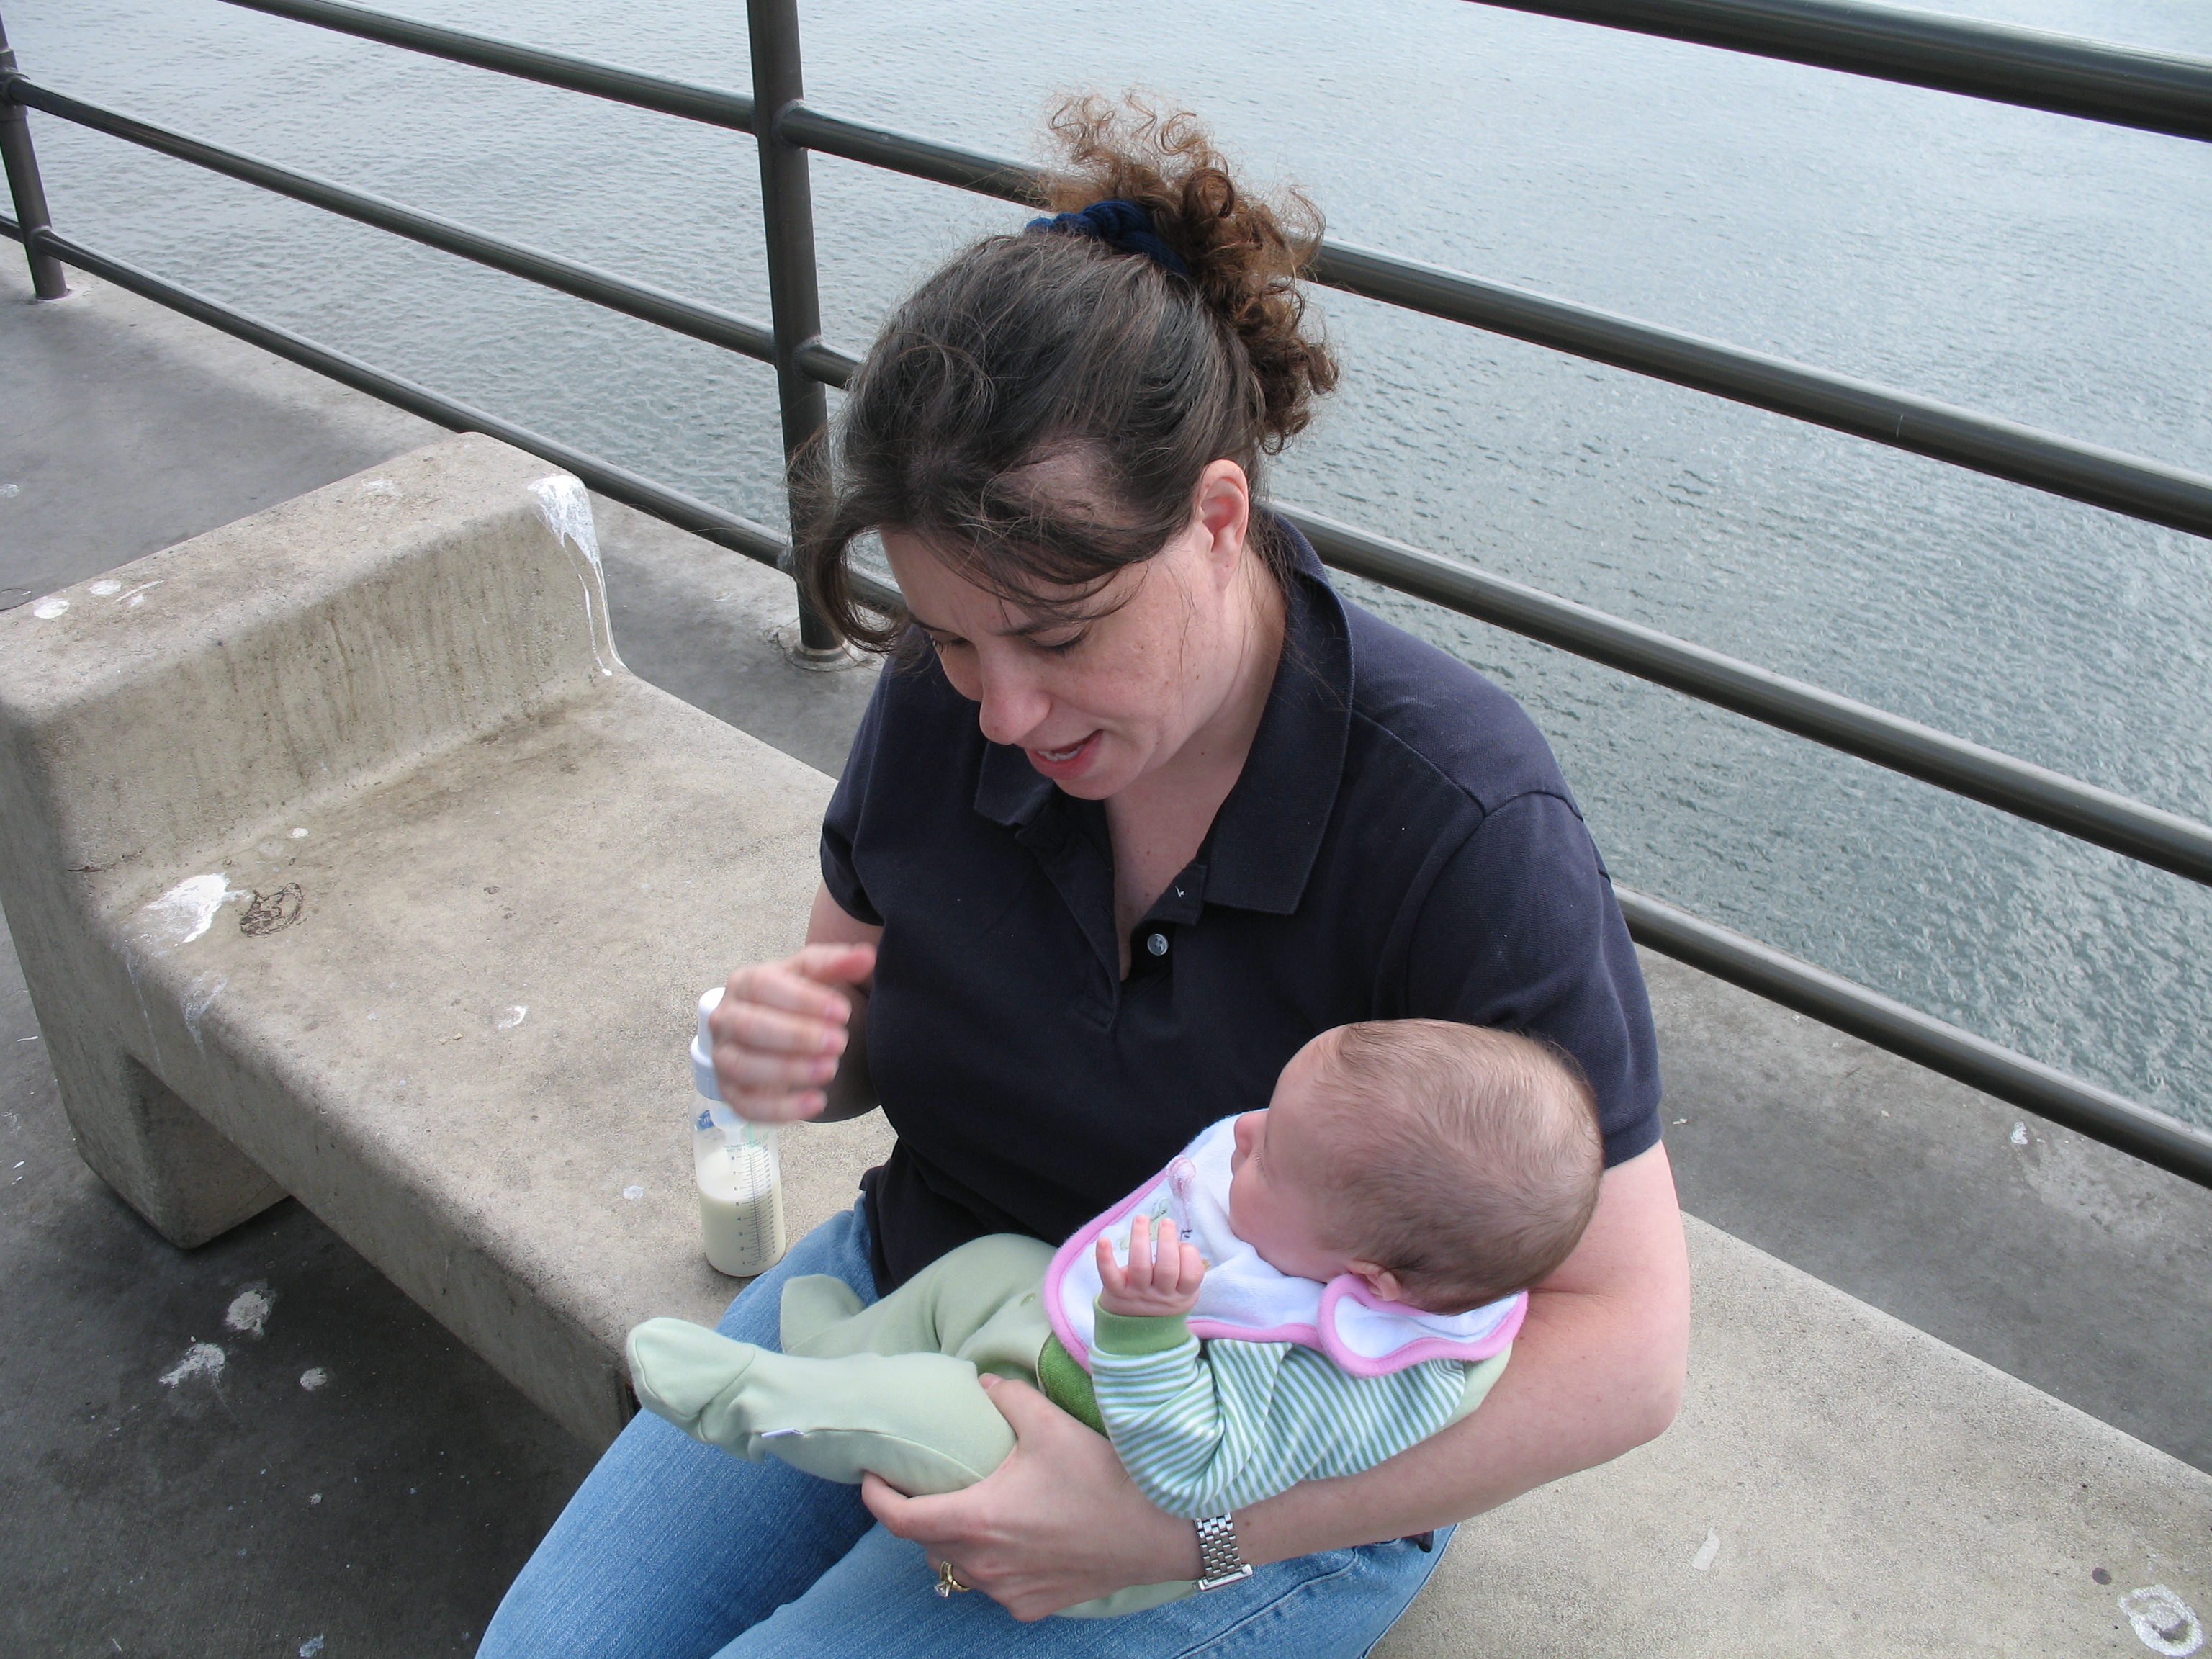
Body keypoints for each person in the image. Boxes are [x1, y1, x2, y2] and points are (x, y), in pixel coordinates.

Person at [479, 94, 1689, 1659]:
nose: (1001, 712)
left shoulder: (1459, 819)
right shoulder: (953, 699)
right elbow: (861, 1024)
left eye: (1055, 637)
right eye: (950, 636)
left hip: (1248, 1442)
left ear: (1217, 519)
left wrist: (1177, 1530)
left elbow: (1630, 1345)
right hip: (936, 1282)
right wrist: (802, 1052)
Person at [624, 1020, 1603, 1619]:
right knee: (990, 1267)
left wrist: (1143, 1329)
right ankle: (839, 1344)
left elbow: (1195, 1471)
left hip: (1097, 1485)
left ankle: (757, 1398)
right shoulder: (1360, 1242)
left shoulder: (1332, 1372)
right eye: (1268, 1116)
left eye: (1270, 1160)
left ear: (1370, 1279)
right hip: (1072, 1367)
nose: (1244, 1135)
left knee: (921, 1409)